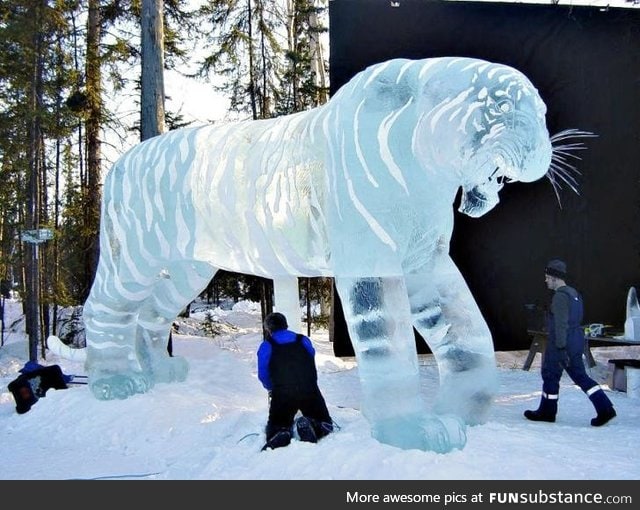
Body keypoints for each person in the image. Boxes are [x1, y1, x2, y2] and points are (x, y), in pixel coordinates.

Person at [524, 259, 616, 426]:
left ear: (554, 277)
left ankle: (548, 412)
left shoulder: (559, 297)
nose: (545, 280)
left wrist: (560, 348)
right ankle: (604, 408)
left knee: (552, 375)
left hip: (561, 342)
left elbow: (561, 324)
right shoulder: (574, 294)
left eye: (547, 277)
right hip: (575, 339)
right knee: (575, 375)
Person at [257, 312, 334, 450]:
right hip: (309, 390)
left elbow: (263, 374)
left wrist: (271, 388)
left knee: (276, 424)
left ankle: (281, 432)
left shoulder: (267, 346)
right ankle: (313, 424)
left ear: (268, 329)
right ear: (286, 325)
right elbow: (310, 358)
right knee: (325, 423)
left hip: (282, 393)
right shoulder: (303, 340)